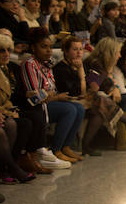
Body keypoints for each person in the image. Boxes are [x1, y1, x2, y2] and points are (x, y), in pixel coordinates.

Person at [0, 33, 51, 175]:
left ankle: (25, 157)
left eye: (8, 50)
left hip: (8, 107)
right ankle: (11, 163)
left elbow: (16, 92)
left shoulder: (10, 67)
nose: (6, 54)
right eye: (1, 50)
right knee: (22, 122)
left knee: (35, 114)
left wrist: (27, 95)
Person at [21, 29, 85, 164]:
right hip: (37, 106)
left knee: (79, 108)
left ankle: (65, 146)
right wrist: (56, 97)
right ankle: (56, 149)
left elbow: (52, 89)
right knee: (70, 109)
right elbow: (34, 97)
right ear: (33, 48)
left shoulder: (48, 64)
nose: (49, 51)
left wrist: (57, 96)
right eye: (44, 47)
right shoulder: (30, 64)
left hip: (51, 100)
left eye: (50, 47)